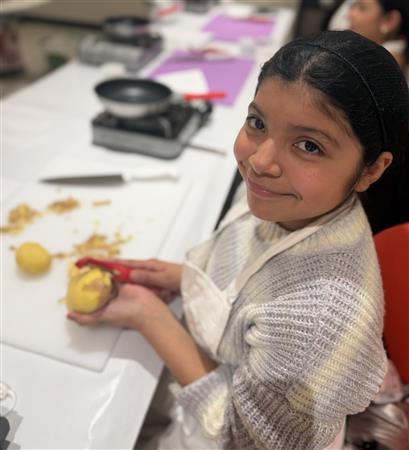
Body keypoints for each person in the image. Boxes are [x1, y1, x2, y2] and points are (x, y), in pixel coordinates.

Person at [68, 30, 409, 450]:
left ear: (371, 169)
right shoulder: (292, 202)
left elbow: (243, 438)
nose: (260, 161)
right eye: (257, 123)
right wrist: (181, 277)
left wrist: (148, 315)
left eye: (308, 145)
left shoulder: (317, 323)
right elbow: (249, 271)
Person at [328, 0, 409, 77]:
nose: (349, 15)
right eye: (353, 7)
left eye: (362, 8)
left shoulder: (383, 66)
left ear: (390, 20)